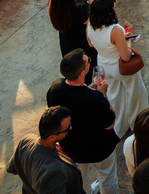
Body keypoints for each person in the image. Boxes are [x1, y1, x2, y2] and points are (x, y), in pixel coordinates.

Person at [46, 50, 119, 194]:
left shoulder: (55, 89)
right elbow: (109, 123)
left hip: (73, 147)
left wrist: (90, 89)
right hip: (99, 148)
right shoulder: (95, 99)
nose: (90, 63)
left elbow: (74, 99)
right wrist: (103, 94)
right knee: (107, 177)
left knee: (80, 179)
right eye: (88, 62)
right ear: (82, 73)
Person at [86, 0, 149, 137]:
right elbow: (126, 56)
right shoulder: (115, 29)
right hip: (120, 67)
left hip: (103, 65)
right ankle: (137, 125)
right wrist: (129, 42)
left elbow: (90, 43)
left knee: (114, 96)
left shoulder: (90, 24)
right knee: (134, 94)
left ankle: (119, 128)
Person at [7, 106, 84, 194]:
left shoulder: (26, 141)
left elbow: (12, 167)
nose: (70, 128)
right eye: (67, 128)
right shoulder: (54, 173)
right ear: (52, 137)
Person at [48, 0, 99, 83]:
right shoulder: (77, 12)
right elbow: (94, 17)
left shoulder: (56, 9)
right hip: (81, 43)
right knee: (87, 68)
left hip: (67, 44)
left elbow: (81, 3)